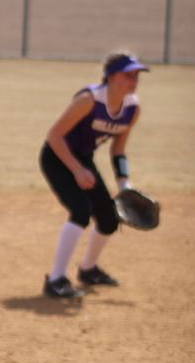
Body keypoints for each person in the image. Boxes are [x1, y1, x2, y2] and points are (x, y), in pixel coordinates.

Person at [40, 51, 150, 299]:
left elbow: (118, 149)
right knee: (80, 210)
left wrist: (125, 185)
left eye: (136, 76)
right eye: (127, 75)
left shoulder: (132, 108)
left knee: (109, 218)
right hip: (57, 157)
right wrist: (77, 169)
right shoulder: (89, 100)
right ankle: (56, 279)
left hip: (83, 160)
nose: (133, 81)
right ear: (111, 77)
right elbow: (54, 136)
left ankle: (88, 270)